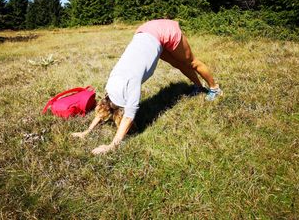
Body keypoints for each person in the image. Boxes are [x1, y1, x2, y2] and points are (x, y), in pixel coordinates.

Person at [71, 19, 222, 155]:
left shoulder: (132, 86)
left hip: (164, 31)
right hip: (146, 31)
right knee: (177, 63)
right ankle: (198, 86)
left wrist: (112, 145)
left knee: (191, 62)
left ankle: (215, 88)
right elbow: (105, 106)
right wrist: (86, 132)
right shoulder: (111, 84)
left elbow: (129, 117)